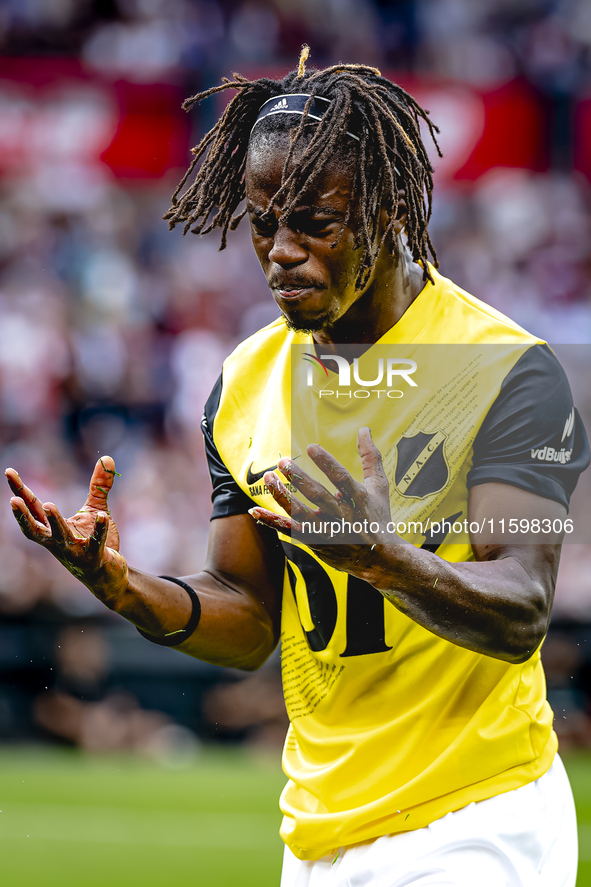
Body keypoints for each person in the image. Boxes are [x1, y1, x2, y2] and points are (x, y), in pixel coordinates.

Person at [5, 49, 590, 886]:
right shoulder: (243, 382)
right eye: (261, 221)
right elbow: (249, 614)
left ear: (389, 207)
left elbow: (523, 605)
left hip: (475, 816)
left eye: (314, 221)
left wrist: (383, 558)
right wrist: (125, 587)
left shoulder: (506, 369)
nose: (280, 251)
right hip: (317, 831)